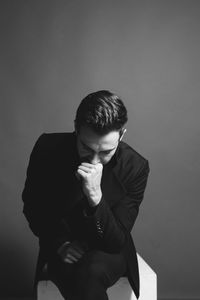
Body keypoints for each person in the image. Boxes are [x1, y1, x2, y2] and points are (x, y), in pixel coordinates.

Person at [22, 90, 150, 300]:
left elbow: (116, 240)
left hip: (108, 250)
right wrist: (59, 244)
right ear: (76, 129)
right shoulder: (47, 148)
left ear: (122, 135)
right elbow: (32, 206)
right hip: (62, 245)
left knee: (89, 273)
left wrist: (95, 197)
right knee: (76, 276)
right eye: (87, 148)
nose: (95, 161)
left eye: (106, 152)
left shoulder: (135, 167)